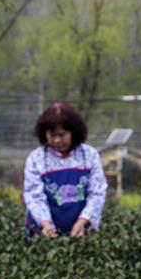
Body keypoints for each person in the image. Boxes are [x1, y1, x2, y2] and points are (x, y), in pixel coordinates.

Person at [23, 102, 108, 238]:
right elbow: (34, 195)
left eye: (62, 135)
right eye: (52, 135)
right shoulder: (36, 158)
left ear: (73, 132)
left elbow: (97, 193)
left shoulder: (89, 155)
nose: (57, 140)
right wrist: (46, 224)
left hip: (80, 230)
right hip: (44, 230)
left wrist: (82, 221)